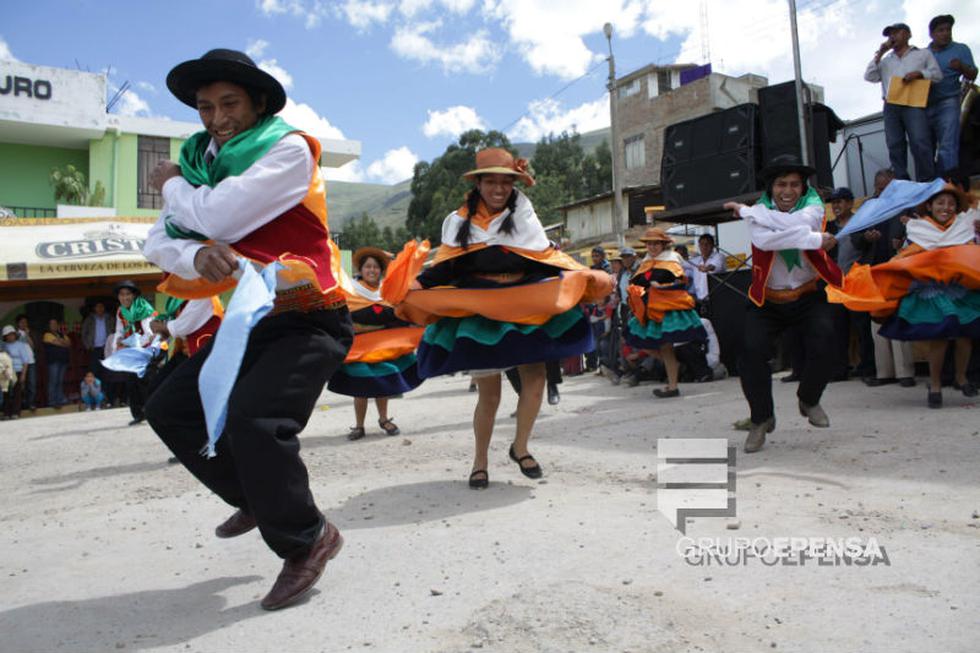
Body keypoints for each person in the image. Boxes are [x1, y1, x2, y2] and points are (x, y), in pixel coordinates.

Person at [141, 48, 353, 611]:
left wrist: (171, 186)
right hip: (251, 319)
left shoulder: (288, 150)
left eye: (229, 103)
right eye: (205, 107)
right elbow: (157, 242)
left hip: (310, 315)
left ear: (258, 104)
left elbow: (218, 217)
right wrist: (194, 255)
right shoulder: (199, 165)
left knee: (256, 421)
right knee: (170, 408)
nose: (217, 118)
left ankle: (307, 539)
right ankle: (258, 497)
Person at [381, 147, 612, 489]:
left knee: (536, 379)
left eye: (506, 182)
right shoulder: (458, 223)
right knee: (489, 394)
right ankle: (480, 462)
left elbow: (546, 260)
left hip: (524, 307)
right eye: (491, 182)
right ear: (478, 184)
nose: (499, 189)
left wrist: (583, 275)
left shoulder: (525, 218)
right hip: (481, 310)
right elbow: (445, 268)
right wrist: (413, 286)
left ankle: (520, 447)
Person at [723, 155, 842, 453]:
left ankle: (809, 399)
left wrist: (750, 213)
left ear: (803, 188)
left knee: (827, 339)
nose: (788, 191)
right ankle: (761, 419)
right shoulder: (759, 211)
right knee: (750, 352)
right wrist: (815, 240)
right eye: (781, 184)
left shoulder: (813, 206)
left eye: (794, 184)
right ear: (771, 187)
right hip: (768, 299)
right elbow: (766, 242)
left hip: (807, 293)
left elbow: (798, 223)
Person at [828, 183, 979, 407]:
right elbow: (906, 256)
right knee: (939, 336)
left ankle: (961, 377)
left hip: (959, 289)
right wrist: (888, 269)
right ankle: (935, 385)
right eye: (940, 203)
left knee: (965, 336)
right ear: (930, 206)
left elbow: (972, 256)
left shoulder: (963, 228)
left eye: (951, 203)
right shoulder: (920, 229)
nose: (946, 207)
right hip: (933, 291)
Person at [328, 247, 423, 440]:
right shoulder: (351, 291)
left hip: (383, 348)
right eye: (368, 267)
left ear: (380, 270)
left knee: (383, 381)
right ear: (361, 270)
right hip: (358, 350)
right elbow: (343, 320)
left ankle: (384, 419)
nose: (372, 270)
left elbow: (398, 317)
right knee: (360, 385)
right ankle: (359, 426)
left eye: (375, 267)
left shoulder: (388, 293)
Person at [623, 227, 706, 399]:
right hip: (648, 309)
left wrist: (662, 287)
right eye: (649, 244)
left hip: (667, 308)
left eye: (656, 243)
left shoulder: (672, 259)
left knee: (665, 347)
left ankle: (672, 385)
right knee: (642, 343)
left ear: (663, 245)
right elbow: (639, 282)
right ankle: (674, 368)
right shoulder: (645, 262)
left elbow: (681, 282)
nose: (652, 247)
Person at [864, 22, 943, 181]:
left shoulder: (922, 54)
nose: (892, 37)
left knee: (920, 141)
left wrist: (920, 74)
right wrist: (880, 53)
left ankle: (926, 180)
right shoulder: (885, 61)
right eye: (890, 34)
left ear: (908, 34)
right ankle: (902, 182)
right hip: (891, 104)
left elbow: (937, 76)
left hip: (914, 102)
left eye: (896, 32)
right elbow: (869, 76)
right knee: (894, 144)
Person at [926, 14, 977, 177]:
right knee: (925, 146)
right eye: (941, 30)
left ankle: (949, 180)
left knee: (948, 143)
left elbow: (973, 74)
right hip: (924, 105)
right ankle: (930, 183)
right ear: (932, 34)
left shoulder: (961, 49)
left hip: (949, 101)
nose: (946, 33)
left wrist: (961, 66)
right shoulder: (923, 54)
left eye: (948, 29)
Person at [107, 280, 157, 424]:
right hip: (131, 351)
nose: (125, 298)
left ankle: (152, 413)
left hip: (147, 349)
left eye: (128, 294)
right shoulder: (120, 311)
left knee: (145, 382)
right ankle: (138, 414)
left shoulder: (144, 309)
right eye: (122, 295)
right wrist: (117, 344)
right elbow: (119, 331)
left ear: (134, 295)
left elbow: (149, 334)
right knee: (131, 383)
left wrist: (133, 346)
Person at [81, 301, 115, 402]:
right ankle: (94, 396)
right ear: (94, 309)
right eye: (98, 307)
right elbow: (84, 333)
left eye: (101, 307)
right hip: (94, 348)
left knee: (107, 373)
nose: (100, 309)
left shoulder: (109, 318)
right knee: (94, 372)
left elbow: (114, 331)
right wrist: (88, 345)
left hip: (106, 349)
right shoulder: (89, 319)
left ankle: (107, 396)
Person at [1, 325, 32, 419]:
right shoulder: (3, 345)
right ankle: (6, 413)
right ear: (5, 336)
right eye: (8, 335)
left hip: (17, 370)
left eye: (12, 334)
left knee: (17, 393)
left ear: (15, 335)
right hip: (5, 371)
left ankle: (16, 412)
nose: (10, 336)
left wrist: (23, 374)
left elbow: (25, 361)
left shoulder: (21, 345)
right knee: (6, 393)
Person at [42, 319, 72, 408]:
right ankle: (52, 401)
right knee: (53, 381)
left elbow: (69, 344)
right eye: (52, 324)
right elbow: (58, 343)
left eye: (55, 324)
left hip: (63, 361)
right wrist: (62, 342)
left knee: (60, 381)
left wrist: (60, 341)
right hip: (53, 362)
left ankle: (59, 399)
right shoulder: (47, 334)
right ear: (49, 326)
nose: (54, 325)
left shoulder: (62, 334)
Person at [689, 233, 726, 304]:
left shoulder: (719, 256)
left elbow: (714, 266)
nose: (704, 247)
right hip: (700, 299)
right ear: (699, 246)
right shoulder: (696, 260)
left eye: (707, 244)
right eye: (702, 244)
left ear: (713, 245)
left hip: (716, 299)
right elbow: (681, 263)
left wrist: (707, 268)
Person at [14, 315, 36, 411]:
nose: (24, 324)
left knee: (32, 384)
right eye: (22, 322)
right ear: (18, 324)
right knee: (21, 384)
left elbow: (32, 346)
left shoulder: (29, 333)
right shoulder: (15, 334)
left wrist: (27, 335)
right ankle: (20, 405)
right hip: (20, 363)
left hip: (31, 362)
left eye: (25, 322)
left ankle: (30, 404)